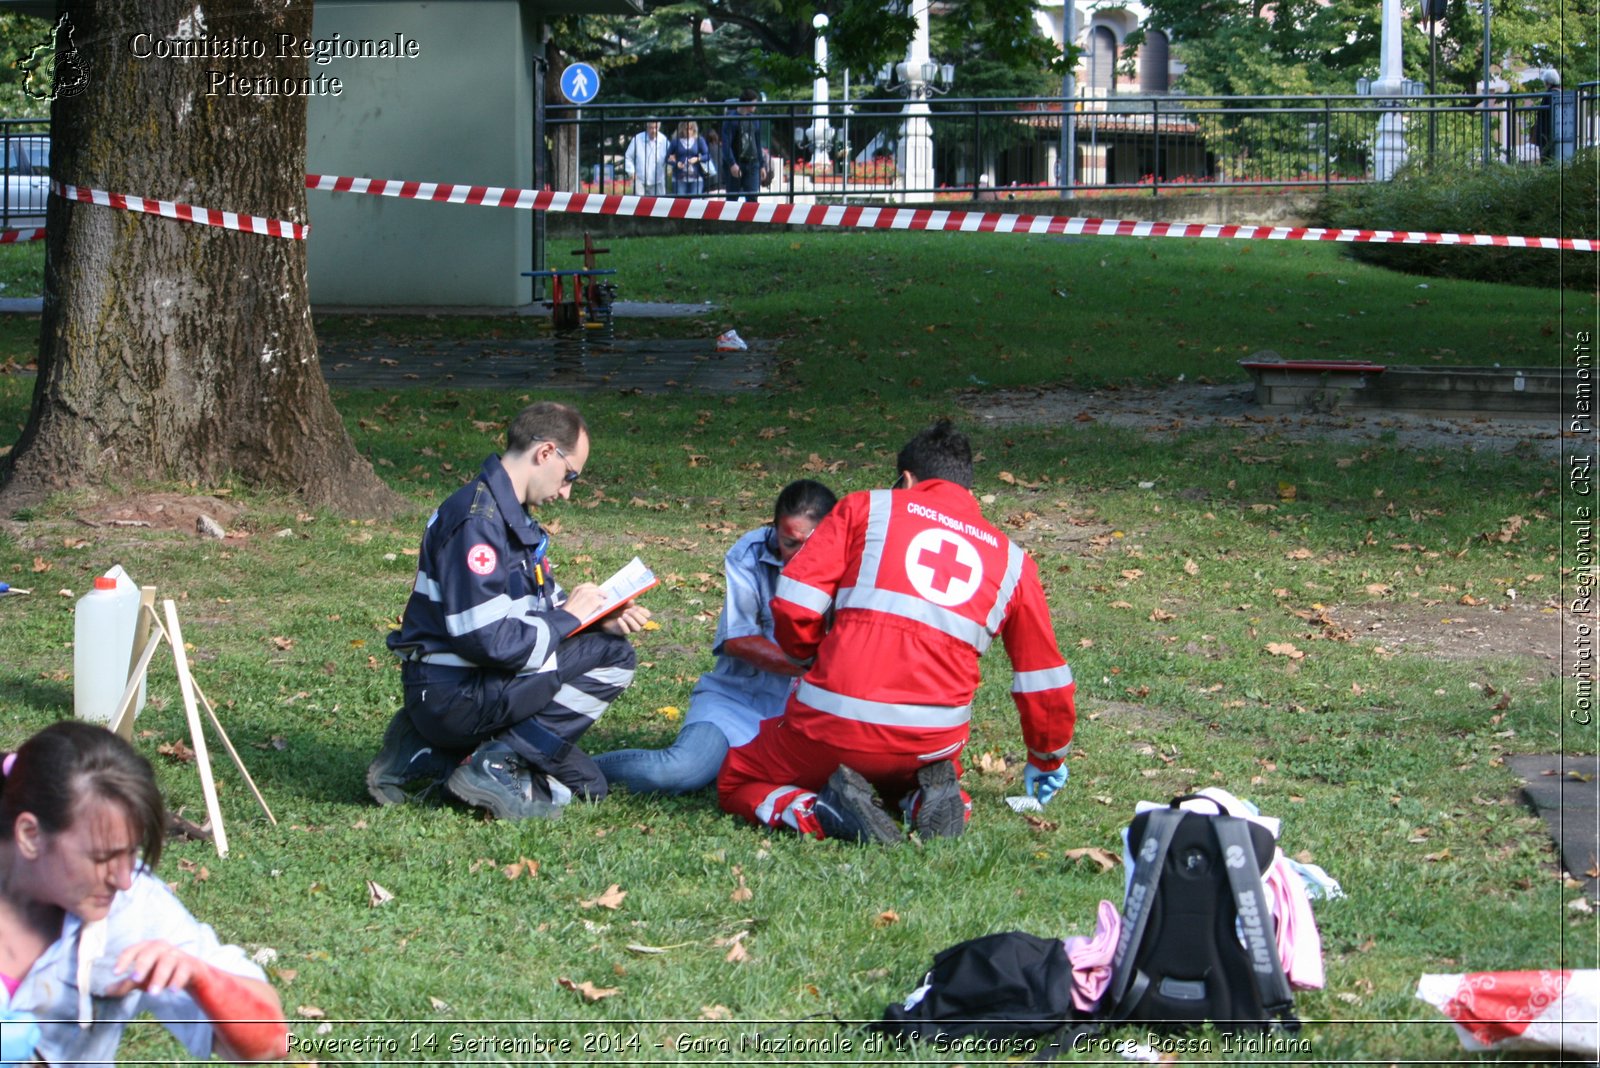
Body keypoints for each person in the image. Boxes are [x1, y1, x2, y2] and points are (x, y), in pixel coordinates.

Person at [718, 421, 1078, 844]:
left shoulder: (864, 508)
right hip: (931, 741)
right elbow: (1045, 681)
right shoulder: (1014, 564)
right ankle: (932, 800)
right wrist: (1047, 759)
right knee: (912, 768)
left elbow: (794, 604)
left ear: (906, 479)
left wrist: (809, 657)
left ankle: (816, 811)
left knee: (737, 779)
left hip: (831, 721)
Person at [369, 401, 652, 821]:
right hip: (457, 691)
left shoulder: (508, 514)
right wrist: (569, 618)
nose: (566, 491)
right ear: (545, 453)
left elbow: (528, 615)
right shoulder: (477, 520)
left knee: (588, 785)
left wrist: (596, 618)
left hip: (464, 687)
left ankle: (427, 750)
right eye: (570, 475)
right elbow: (487, 639)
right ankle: (491, 762)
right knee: (614, 657)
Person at [0, 721, 287, 1064]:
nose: (123, 880)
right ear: (31, 835)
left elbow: (273, 1041)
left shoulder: (133, 906)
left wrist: (201, 978)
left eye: (131, 853)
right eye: (102, 858)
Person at [595, 480, 837, 794]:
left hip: (808, 715)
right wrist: (816, 666)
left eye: (810, 544)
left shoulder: (856, 564)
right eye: (790, 543)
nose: (799, 556)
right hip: (737, 702)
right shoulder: (752, 552)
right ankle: (568, 772)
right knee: (679, 771)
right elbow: (737, 640)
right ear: (775, 529)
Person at [721, 89, 768, 202]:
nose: (755, 106)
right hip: (737, 161)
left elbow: (757, 143)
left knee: (752, 198)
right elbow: (726, 143)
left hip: (752, 163)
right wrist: (732, 163)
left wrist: (761, 165)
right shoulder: (731, 119)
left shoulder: (755, 119)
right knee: (732, 198)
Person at [624, 119, 670, 196]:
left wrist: (669, 168)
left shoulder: (664, 140)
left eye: (656, 128)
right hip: (639, 179)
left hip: (658, 180)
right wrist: (631, 172)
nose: (654, 130)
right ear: (647, 127)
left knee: (659, 205)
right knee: (639, 205)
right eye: (651, 128)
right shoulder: (637, 139)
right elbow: (628, 157)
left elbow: (671, 157)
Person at [666, 120, 710, 197]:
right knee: (680, 204)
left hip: (696, 178)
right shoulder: (675, 141)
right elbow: (667, 158)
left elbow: (707, 156)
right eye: (686, 128)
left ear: (694, 129)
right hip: (679, 178)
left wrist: (697, 159)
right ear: (681, 129)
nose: (688, 131)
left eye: (690, 128)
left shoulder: (699, 140)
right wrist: (676, 163)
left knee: (695, 203)